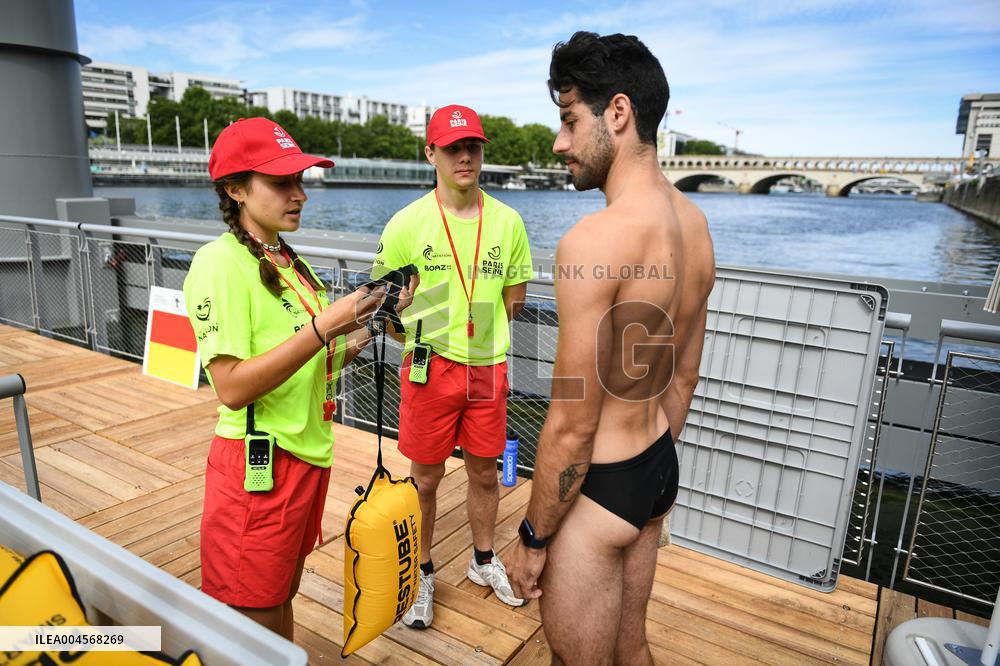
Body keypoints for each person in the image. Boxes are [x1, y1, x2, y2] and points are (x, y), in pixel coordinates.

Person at [508, 32, 716, 664]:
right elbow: (684, 377)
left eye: (570, 120)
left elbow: (572, 425)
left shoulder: (594, 241)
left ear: (618, 113)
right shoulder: (694, 224)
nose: (559, 142)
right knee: (632, 649)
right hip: (655, 466)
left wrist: (532, 535)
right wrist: (649, 464)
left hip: (599, 488)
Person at [183, 117, 409, 640]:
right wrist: (323, 325)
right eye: (282, 182)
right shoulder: (219, 263)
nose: (300, 194)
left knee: (280, 595)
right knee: (251, 619)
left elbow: (317, 368)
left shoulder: (286, 260)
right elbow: (233, 388)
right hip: (258, 468)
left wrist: (364, 322)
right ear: (236, 189)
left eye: (301, 180)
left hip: (306, 457)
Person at [373, 104, 534, 629]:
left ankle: (482, 559)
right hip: (429, 366)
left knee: (486, 472)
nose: (464, 156)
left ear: (483, 152)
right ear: (431, 154)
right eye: (452, 148)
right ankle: (421, 572)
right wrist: (427, 330)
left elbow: (515, 299)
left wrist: (476, 332)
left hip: (488, 367)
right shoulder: (406, 223)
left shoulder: (508, 221)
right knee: (424, 478)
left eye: (473, 147)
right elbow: (384, 306)